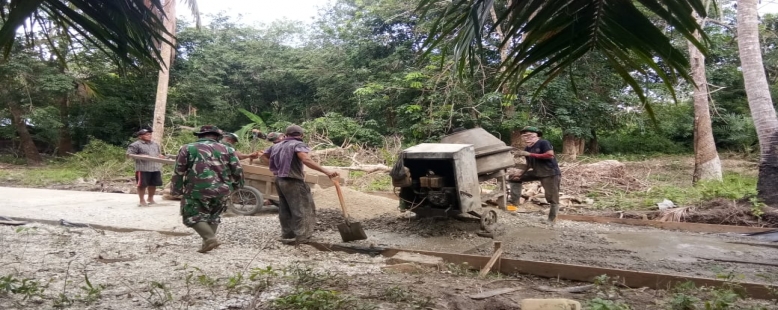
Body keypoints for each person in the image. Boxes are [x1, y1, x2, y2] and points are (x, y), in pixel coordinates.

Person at [261, 125, 338, 244]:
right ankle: (301, 237)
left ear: (286, 135)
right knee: (301, 208)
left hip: (279, 180)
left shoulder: (276, 146)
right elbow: (306, 159)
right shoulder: (298, 144)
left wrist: (275, 168)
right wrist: (326, 171)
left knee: (285, 208)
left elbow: (263, 157)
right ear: (301, 135)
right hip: (293, 181)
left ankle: (287, 234)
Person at [171, 125, 244, 253]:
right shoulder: (228, 149)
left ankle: (210, 238)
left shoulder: (188, 148)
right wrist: (238, 186)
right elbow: (237, 170)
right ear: (217, 136)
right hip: (222, 189)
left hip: (197, 189)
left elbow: (179, 171)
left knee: (191, 216)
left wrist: (176, 190)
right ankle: (207, 243)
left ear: (200, 135)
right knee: (213, 215)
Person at [507, 126, 562, 223]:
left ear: (537, 136)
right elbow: (528, 164)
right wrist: (520, 174)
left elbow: (550, 155)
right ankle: (514, 203)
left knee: (552, 196)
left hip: (549, 173)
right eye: (524, 136)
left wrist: (530, 154)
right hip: (537, 172)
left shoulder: (543, 143)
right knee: (512, 178)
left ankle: (552, 219)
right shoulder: (527, 148)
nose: (527, 138)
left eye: (530, 136)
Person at [126, 128, 166, 207]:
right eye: (147, 134)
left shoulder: (155, 144)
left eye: (150, 134)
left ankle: (150, 199)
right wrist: (141, 156)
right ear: (140, 136)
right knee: (142, 185)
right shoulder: (135, 145)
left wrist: (160, 156)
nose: (149, 136)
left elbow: (157, 154)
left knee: (153, 184)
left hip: (155, 167)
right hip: (143, 168)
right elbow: (128, 155)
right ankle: (141, 200)